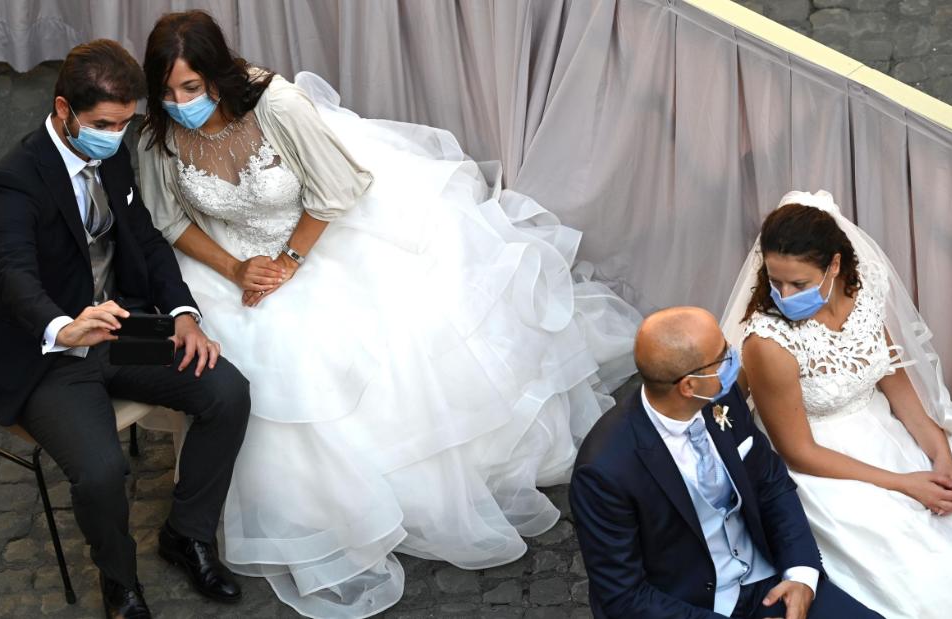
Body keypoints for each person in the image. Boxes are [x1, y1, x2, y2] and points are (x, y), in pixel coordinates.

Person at [136, 10, 640, 618]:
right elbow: (170, 220)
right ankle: (263, 504)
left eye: (190, 87)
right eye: (167, 90)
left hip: (313, 235)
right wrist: (235, 268)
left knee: (345, 345)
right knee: (244, 358)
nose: (179, 101)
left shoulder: (278, 107)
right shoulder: (158, 132)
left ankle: (370, 492)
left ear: (217, 75)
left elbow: (337, 190)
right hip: (227, 260)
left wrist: (290, 260)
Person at [0, 40, 251, 619]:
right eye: (103, 124)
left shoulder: (113, 152)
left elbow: (143, 236)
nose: (116, 136)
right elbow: (14, 277)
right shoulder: (10, 181)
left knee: (227, 391)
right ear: (65, 109)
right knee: (100, 471)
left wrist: (183, 315)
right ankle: (120, 583)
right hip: (47, 354)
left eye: (124, 123)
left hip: (120, 330)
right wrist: (64, 326)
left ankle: (186, 535)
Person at [722, 190, 952, 619]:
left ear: (834, 266)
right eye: (776, 281)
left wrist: (937, 449)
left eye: (798, 283)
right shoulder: (768, 343)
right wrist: (903, 482)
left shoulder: (863, 300)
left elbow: (894, 381)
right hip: (825, 467)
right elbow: (798, 451)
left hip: (883, 425)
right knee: (941, 573)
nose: (784, 293)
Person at [570, 307, 880, 619]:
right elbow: (624, 597)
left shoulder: (721, 396)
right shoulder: (604, 470)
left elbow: (771, 483)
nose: (733, 355)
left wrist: (801, 576)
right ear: (688, 386)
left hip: (770, 583)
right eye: (722, 355)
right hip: (690, 606)